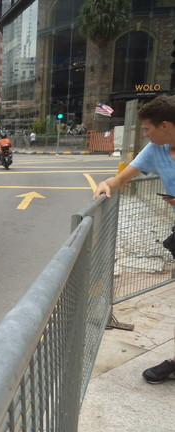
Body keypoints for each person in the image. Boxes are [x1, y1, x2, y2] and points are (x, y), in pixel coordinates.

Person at [92, 94, 175, 384]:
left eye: (148, 129)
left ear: (165, 125)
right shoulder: (155, 149)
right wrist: (106, 184)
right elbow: (120, 179)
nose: (145, 134)